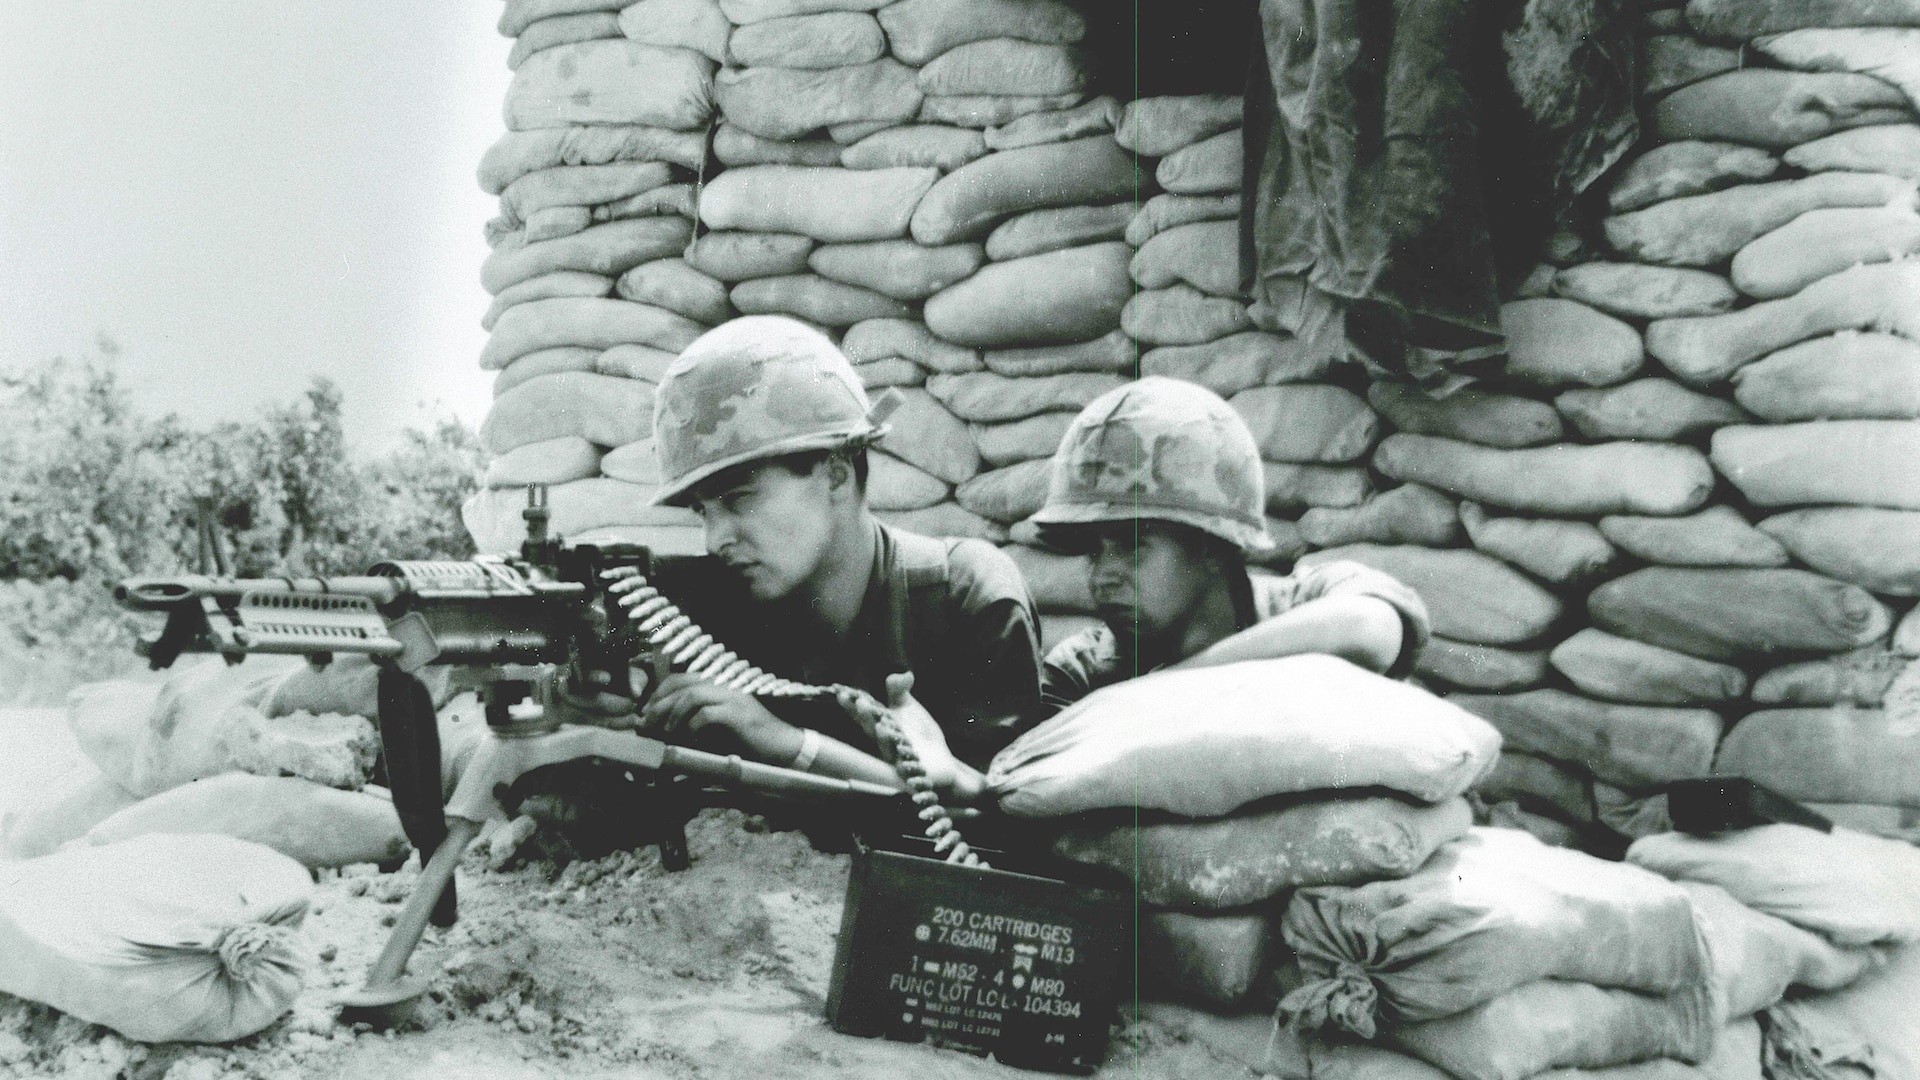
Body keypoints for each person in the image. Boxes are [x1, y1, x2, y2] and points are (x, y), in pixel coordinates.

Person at [605, 315, 1045, 796]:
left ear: (836, 475)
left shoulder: (965, 599)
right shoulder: (699, 603)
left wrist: (788, 745)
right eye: (701, 512)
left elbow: (1000, 824)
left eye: (739, 500)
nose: (715, 540)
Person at [1029, 376, 1432, 713]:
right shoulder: (1082, 671)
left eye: (1133, 545)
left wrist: (1163, 689)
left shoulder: (1306, 602)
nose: (1103, 575)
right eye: (1095, 551)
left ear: (1211, 546)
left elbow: (1367, 627)